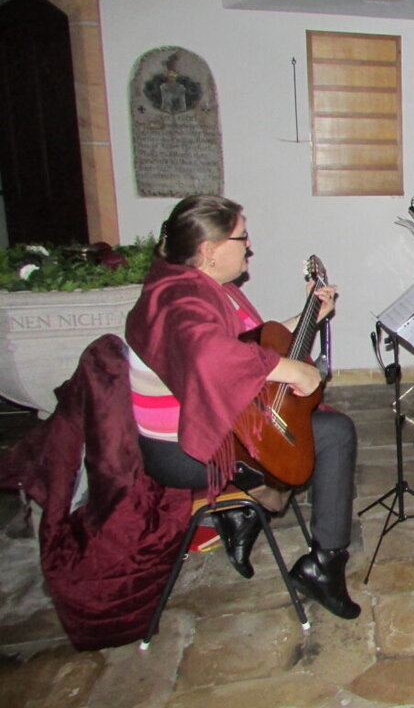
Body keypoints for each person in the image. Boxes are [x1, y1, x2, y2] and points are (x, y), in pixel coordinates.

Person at [125, 195, 360, 620]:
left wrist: (309, 315)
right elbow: (210, 356)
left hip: (213, 420)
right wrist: (295, 370)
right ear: (210, 250)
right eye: (241, 237)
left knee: (299, 423)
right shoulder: (176, 299)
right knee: (333, 433)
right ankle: (323, 563)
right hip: (185, 447)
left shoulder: (201, 285)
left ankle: (251, 511)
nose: (248, 246)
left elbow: (250, 346)